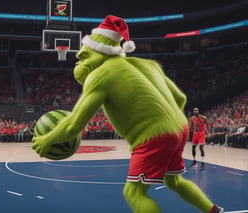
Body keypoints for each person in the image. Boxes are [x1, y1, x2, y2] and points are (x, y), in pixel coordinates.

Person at [32, 15, 223, 213]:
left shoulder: (100, 74)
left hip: (153, 135)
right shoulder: (148, 65)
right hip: (180, 128)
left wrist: (46, 140)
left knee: (134, 193)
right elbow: (181, 99)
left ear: (101, 52)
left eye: (83, 57)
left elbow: (74, 125)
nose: (78, 64)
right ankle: (213, 210)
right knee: (174, 180)